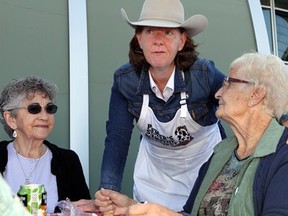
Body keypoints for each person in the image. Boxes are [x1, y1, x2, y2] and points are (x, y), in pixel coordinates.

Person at [94, 52, 288, 216]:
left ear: (256, 94)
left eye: (228, 83)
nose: (218, 93)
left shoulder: (282, 158)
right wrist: (132, 206)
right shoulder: (219, 156)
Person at [98, 0, 226, 211]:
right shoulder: (125, 80)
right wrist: (107, 191)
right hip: (156, 177)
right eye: (150, 32)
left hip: (205, 170)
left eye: (168, 33)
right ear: (139, 39)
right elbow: (117, 138)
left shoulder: (203, 74)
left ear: (182, 41)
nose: (158, 41)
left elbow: (243, 101)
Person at [0, 76, 92, 213]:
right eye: (34, 108)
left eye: (49, 108)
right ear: (11, 119)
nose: (44, 116)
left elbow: (85, 211)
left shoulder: (67, 160)